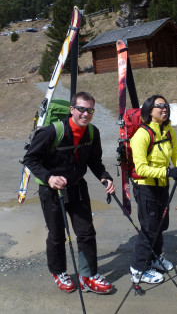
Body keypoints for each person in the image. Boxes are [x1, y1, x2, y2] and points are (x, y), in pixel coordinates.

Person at [23, 92, 115, 294]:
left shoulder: (92, 132)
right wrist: (49, 177)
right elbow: (30, 159)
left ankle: (88, 275)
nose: (86, 114)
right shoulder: (51, 132)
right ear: (72, 109)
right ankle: (58, 271)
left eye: (90, 110)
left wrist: (105, 176)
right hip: (51, 191)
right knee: (57, 235)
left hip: (77, 187)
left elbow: (94, 162)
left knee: (86, 233)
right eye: (81, 109)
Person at [129, 95, 177, 284]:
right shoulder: (141, 135)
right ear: (149, 110)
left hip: (163, 184)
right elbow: (141, 169)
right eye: (160, 106)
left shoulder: (168, 130)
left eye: (166, 105)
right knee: (149, 228)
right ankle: (138, 268)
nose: (164, 109)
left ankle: (154, 257)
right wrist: (170, 171)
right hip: (146, 187)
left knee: (161, 225)